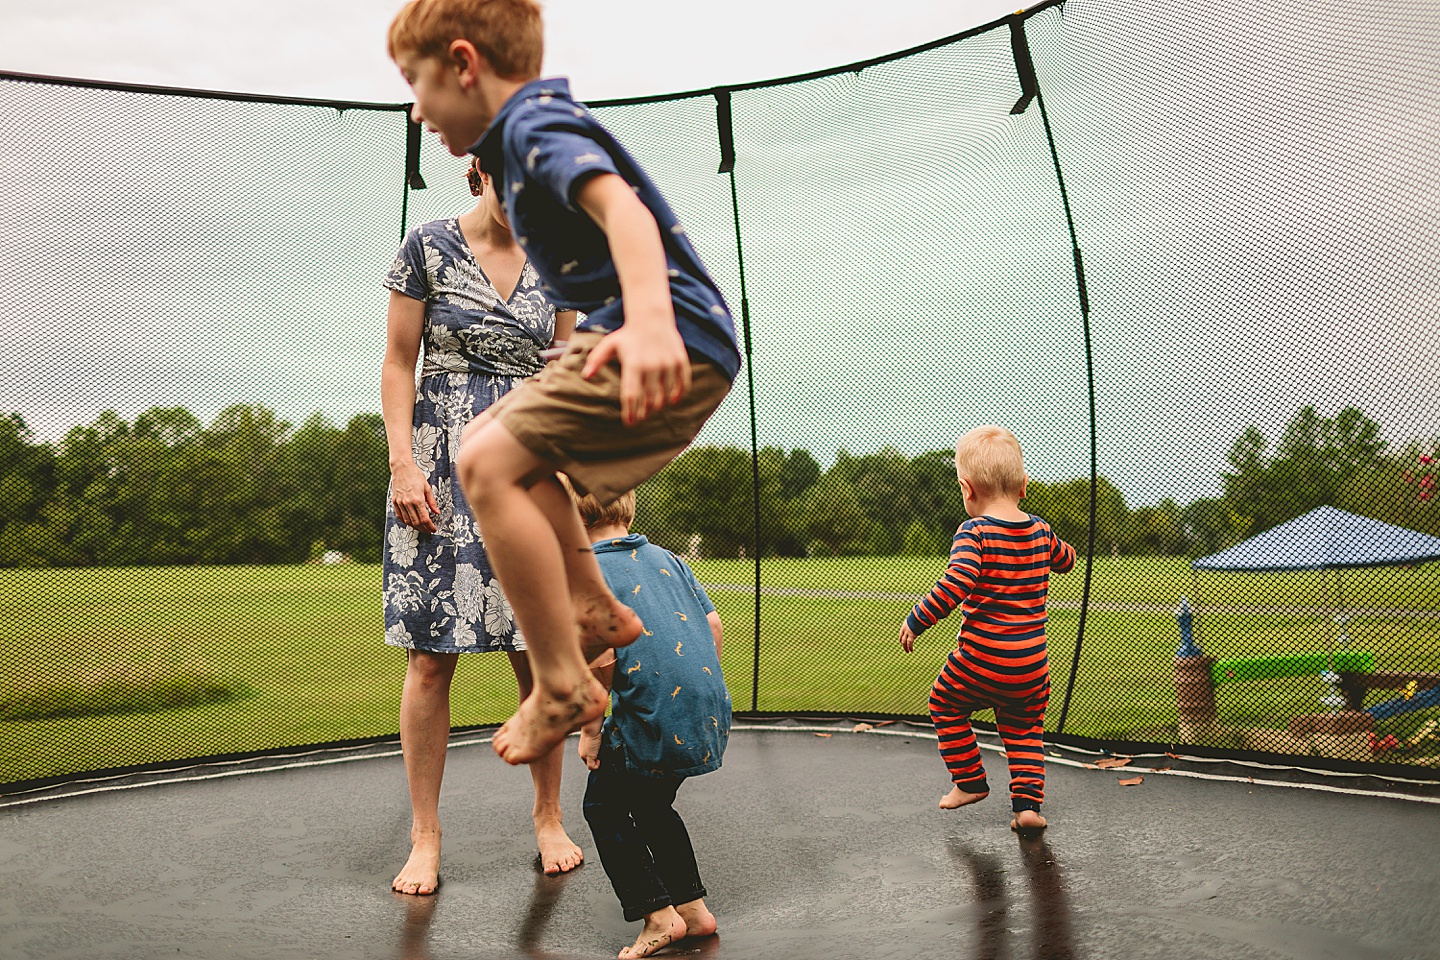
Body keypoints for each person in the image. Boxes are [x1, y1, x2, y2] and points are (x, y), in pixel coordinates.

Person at [386, 0, 740, 767]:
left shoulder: (530, 126)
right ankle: (590, 605)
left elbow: (626, 211)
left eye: (417, 84)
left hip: (669, 335)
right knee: (503, 453)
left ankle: (561, 684)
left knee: (481, 462)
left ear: (464, 64)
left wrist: (643, 324)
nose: (417, 110)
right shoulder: (513, 153)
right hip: (658, 336)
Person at [382, 155, 582, 894]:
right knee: (431, 657)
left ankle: (550, 815)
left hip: (529, 472)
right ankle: (426, 834)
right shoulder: (427, 246)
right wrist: (404, 463)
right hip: (439, 468)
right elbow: (400, 361)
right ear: (479, 175)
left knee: (539, 653)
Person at [570, 482, 729, 960]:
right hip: (705, 706)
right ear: (628, 505)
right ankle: (694, 909)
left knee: (603, 807)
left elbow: (600, 659)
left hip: (650, 718)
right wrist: (697, 690)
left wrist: (591, 732)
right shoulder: (668, 558)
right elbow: (714, 624)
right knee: (653, 804)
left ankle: (657, 916)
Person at [898, 426, 1076, 831]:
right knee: (1025, 728)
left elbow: (955, 583)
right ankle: (1027, 809)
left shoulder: (974, 532)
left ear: (967, 488)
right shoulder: (1041, 530)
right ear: (1024, 486)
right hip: (1032, 662)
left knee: (945, 704)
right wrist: (1051, 548)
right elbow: (1067, 559)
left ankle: (970, 781)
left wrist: (917, 619)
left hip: (983, 657)